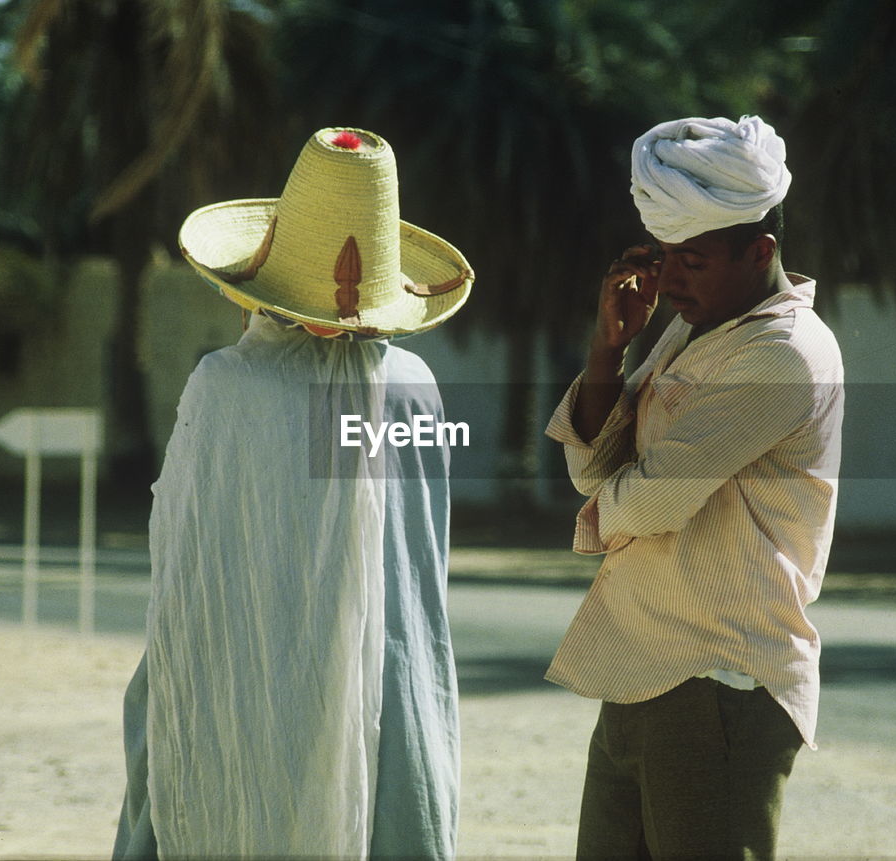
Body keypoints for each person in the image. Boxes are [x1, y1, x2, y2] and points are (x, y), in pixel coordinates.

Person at [112, 127, 473, 860]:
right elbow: (419, 563)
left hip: (234, 681)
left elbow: (187, 561)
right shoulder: (413, 389)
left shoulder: (227, 385)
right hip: (388, 693)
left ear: (262, 277)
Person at [544, 115, 844, 859]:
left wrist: (608, 505)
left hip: (721, 680)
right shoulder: (695, 326)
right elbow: (597, 469)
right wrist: (610, 349)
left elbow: (652, 497)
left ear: (761, 251)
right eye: (665, 257)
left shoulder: (786, 353)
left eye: (694, 261)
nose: (670, 280)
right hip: (644, 663)